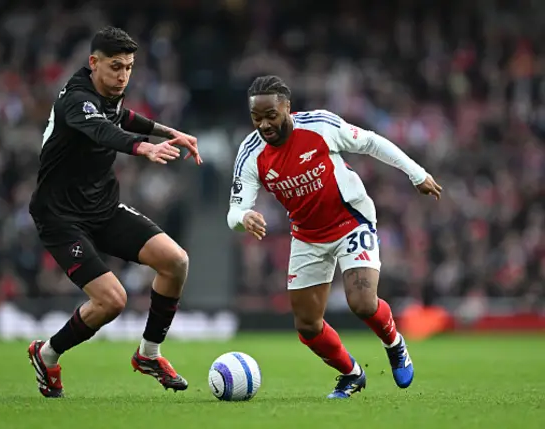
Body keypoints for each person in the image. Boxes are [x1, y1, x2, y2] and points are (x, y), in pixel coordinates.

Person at [227, 75, 442, 399]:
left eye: (271, 115)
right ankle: (351, 374)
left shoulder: (319, 126)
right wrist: (244, 217)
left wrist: (417, 173)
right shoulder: (250, 152)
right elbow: (234, 211)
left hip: (351, 222)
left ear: (287, 108)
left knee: (362, 302)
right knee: (307, 326)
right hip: (307, 236)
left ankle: (394, 343)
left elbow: (370, 142)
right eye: (256, 118)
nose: (264, 125)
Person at [27, 26, 202, 398]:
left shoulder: (108, 93)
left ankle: (149, 354)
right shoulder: (76, 99)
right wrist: (144, 149)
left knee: (176, 262)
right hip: (60, 216)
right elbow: (104, 131)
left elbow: (122, 116)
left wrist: (170, 132)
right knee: (112, 301)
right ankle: (47, 354)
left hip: (102, 208)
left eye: (129, 68)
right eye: (115, 67)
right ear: (94, 63)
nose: (123, 75)